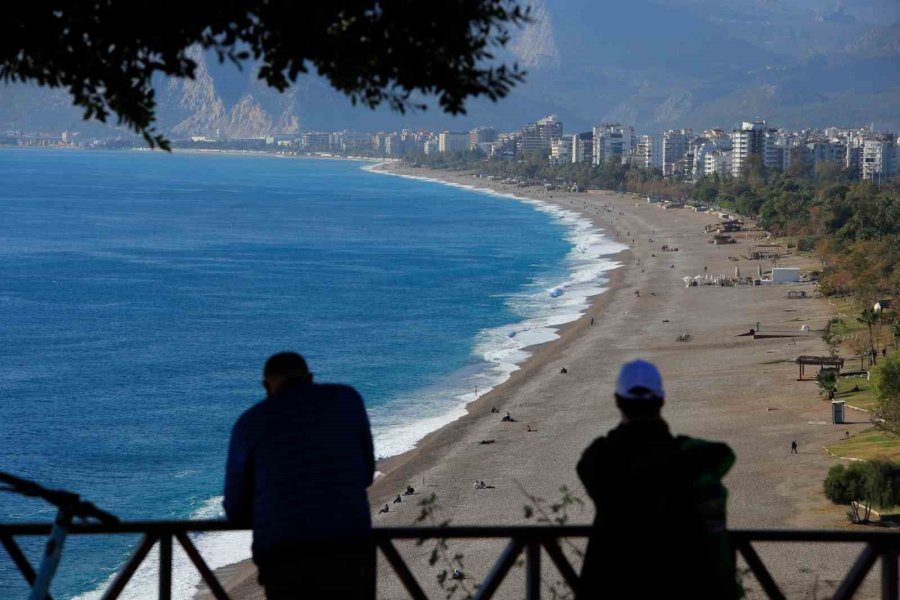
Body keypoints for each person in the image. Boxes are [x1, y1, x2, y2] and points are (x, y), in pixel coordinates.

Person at [576, 359, 738, 600]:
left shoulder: (601, 460)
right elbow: (723, 454)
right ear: (662, 401)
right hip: (682, 580)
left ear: (618, 402)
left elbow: (590, 463)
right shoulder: (684, 457)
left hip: (613, 582)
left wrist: (623, 435)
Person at [224, 351, 376, 600]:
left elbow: (236, 507)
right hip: (349, 544)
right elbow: (366, 473)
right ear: (310, 377)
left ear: (266, 386)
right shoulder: (346, 400)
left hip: (284, 553)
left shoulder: (249, 423)